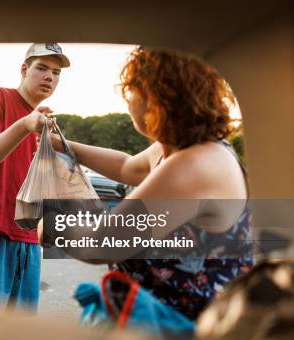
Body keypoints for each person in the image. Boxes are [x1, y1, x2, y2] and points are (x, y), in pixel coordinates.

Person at [43, 46, 252, 320]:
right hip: (155, 318)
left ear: (155, 96)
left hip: (185, 329)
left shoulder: (196, 165)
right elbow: (127, 166)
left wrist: (45, 223)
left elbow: (100, 243)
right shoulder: (180, 148)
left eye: (132, 89)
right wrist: (61, 144)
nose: (127, 99)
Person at [0, 43, 70, 312]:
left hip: (29, 238)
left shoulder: (44, 123)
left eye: (56, 73)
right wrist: (24, 125)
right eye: (41, 68)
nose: (49, 77)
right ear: (24, 69)